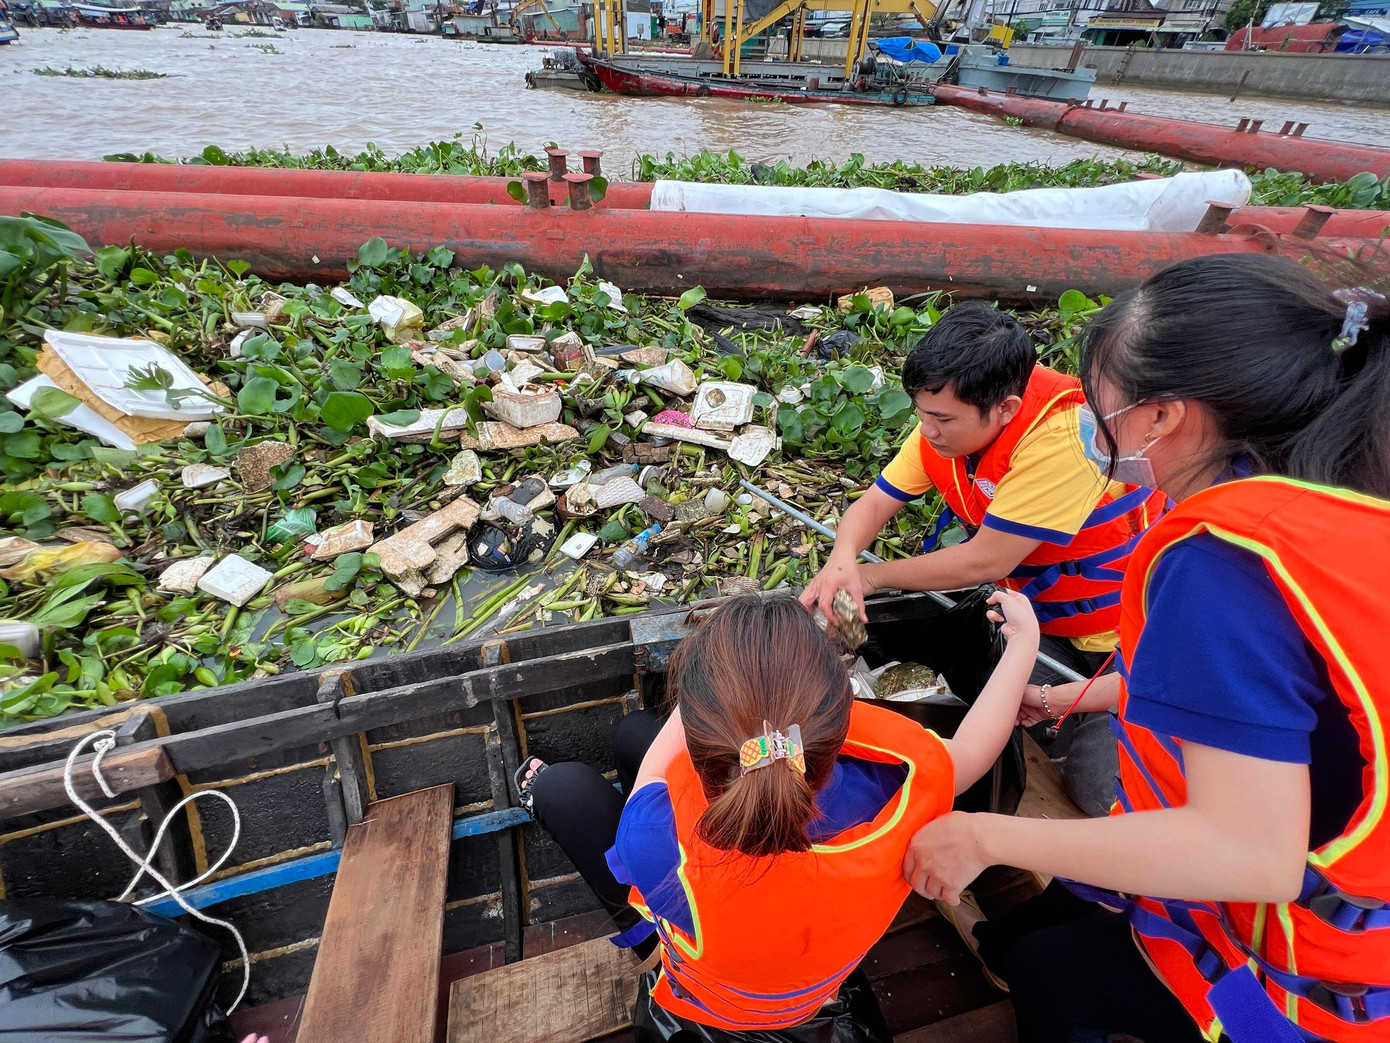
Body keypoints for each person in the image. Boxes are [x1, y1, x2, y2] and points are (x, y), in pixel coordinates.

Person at [903, 254, 1390, 1043]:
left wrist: (983, 834)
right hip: (1337, 859)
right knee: (1041, 925)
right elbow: (1283, 689)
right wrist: (1077, 694)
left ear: (1163, 416)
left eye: (1105, 412)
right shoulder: (1343, 494)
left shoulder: (1219, 566)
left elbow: (1250, 853)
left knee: (1049, 974)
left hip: (1300, 954)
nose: (1096, 435)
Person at [517, 590, 1039, 1039]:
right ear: (842, 716)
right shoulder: (908, 783)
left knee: (570, 784)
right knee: (633, 737)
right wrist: (1024, 645)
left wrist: (725, 683)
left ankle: (540, 787)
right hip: (813, 980)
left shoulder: (653, 837)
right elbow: (975, 748)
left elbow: (656, 773)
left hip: (718, 991)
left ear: (701, 728)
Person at [800, 301, 1166, 816]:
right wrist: (841, 560)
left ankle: (1102, 716)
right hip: (1040, 618)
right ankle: (1061, 707)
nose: (926, 430)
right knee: (991, 708)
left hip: (1122, 639)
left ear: (1006, 409)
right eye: (921, 413)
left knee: (1098, 795)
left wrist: (870, 577)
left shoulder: (1065, 440)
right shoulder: (952, 408)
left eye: (942, 419)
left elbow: (983, 562)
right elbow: (877, 501)